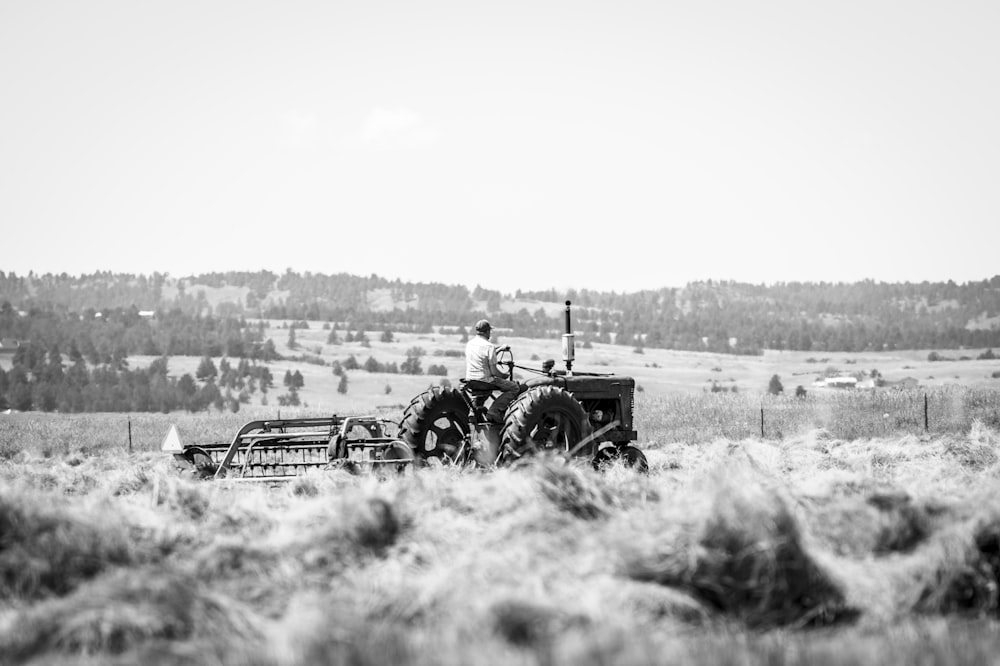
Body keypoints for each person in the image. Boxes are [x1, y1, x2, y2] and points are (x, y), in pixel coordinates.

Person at [465, 319, 524, 422]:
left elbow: (483, 356)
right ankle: (494, 412)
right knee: (514, 388)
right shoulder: (489, 346)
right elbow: (494, 372)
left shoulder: (470, 344)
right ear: (487, 331)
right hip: (485, 380)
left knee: (487, 386)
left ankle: (473, 410)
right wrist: (504, 375)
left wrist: (500, 349)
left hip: (471, 379)